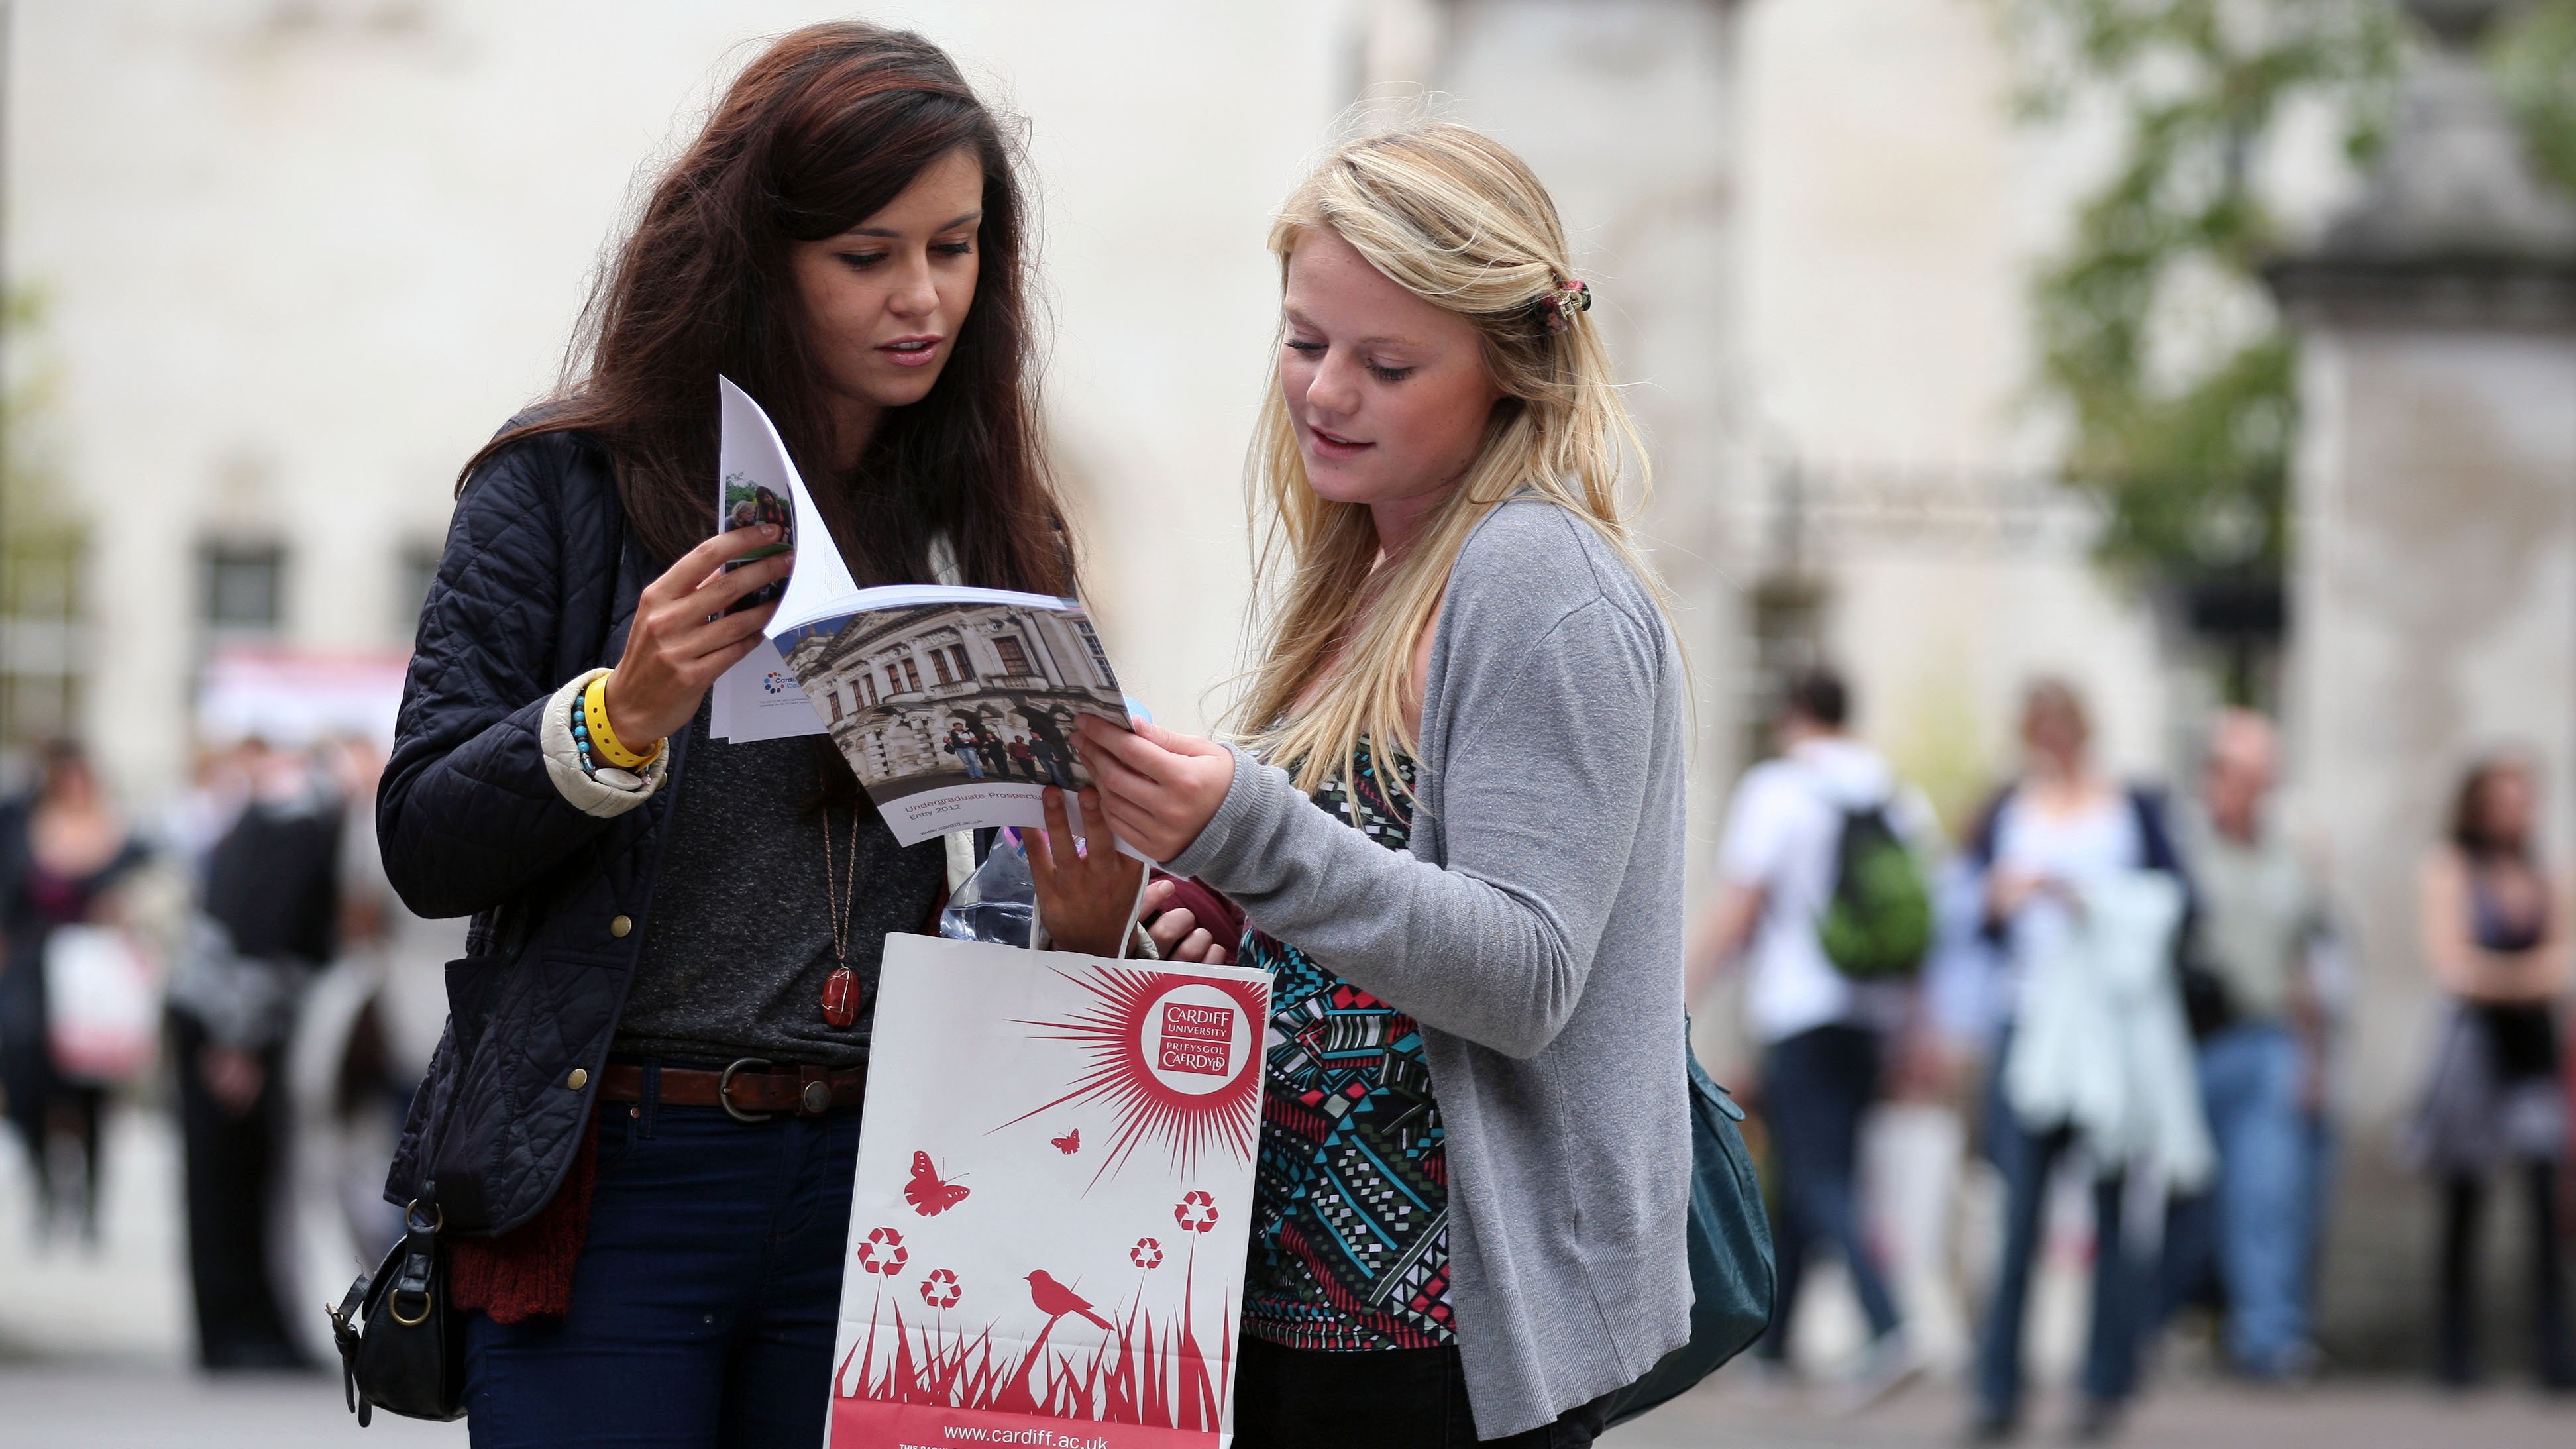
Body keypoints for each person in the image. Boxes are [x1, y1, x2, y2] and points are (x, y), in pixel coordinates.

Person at [376, 26, 1161, 1446]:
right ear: (759, 251)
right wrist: (616, 719)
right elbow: (423, 831)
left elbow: (989, 892)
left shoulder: (991, 522)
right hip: (619, 1169)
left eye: (957, 247)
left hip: (891, 1178)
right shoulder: (567, 483)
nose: (921, 297)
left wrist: (1077, 928)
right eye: (866, 255)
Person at [1070, 121, 1692, 1448]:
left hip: (1437, 1347)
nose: (1325, 391)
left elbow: (1525, 969)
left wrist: (1248, 829)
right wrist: (1219, 909)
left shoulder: (1539, 583)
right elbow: (1364, 908)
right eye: (1304, 342)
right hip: (1291, 1313)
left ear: (1511, 370)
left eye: (1386, 361)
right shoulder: (1366, 571)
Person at [1686, 667, 1926, 1405]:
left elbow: (1742, 903)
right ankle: (1772, 1346)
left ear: (1795, 713)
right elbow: (1922, 919)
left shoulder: (1780, 789)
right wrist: (1919, 1028)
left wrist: (1678, 989)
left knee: (1821, 1180)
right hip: (1872, 1017)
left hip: (1801, 1009)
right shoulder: (1895, 796)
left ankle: (1891, 1329)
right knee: (1804, 1169)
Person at [1964, 680, 2194, 1442]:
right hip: (2028, 1028)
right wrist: (2003, 899)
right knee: (2019, 1216)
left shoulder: (2132, 805)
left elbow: (2177, 905)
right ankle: (1999, 1392)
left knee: (2109, 1213)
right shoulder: (2007, 809)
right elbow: (1971, 919)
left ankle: (2105, 1384)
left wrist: (2089, 898)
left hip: (2109, 1034)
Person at [2155, 711, 2332, 1382]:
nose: (2258, 788)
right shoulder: (2180, 844)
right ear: (2215, 775)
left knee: (2268, 1192)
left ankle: (2271, 1337)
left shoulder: (2291, 853)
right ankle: (2153, 1322)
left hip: (2267, 1038)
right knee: (2182, 1200)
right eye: (2246, 773)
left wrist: (2313, 1057)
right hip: (2188, 1042)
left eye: (2268, 776)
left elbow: (2306, 962)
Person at [168, 739, 341, 1369]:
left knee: (228, 1184)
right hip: (236, 1024)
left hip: (226, 1019)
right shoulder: (296, 821)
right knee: (233, 1183)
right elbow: (259, 932)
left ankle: (238, 1331)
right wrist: (237, 1042)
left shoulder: (263, 816)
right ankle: (241, 1334)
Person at [2406, 754, 2575, 1389]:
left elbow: (2561, 964)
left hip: (2531, 1053)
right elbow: (2452, 965)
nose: (2519, 810)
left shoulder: (2545, 873)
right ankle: (2454, 1358)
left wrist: (2498, 976)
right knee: (2464, 1207)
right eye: (2506, 797)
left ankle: (2555, 1357)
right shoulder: (2450, 867)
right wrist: (2523, 978)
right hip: (2472, 1056)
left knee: (2543, 1202)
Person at [0, 741, 147, 1244]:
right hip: (34, 971)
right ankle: (44, 1187)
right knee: (29, 1081)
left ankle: (90, 1203)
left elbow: (149, 891)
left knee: (91, 1092)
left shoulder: (119, 833)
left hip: (94, 975)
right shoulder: (24, 828)